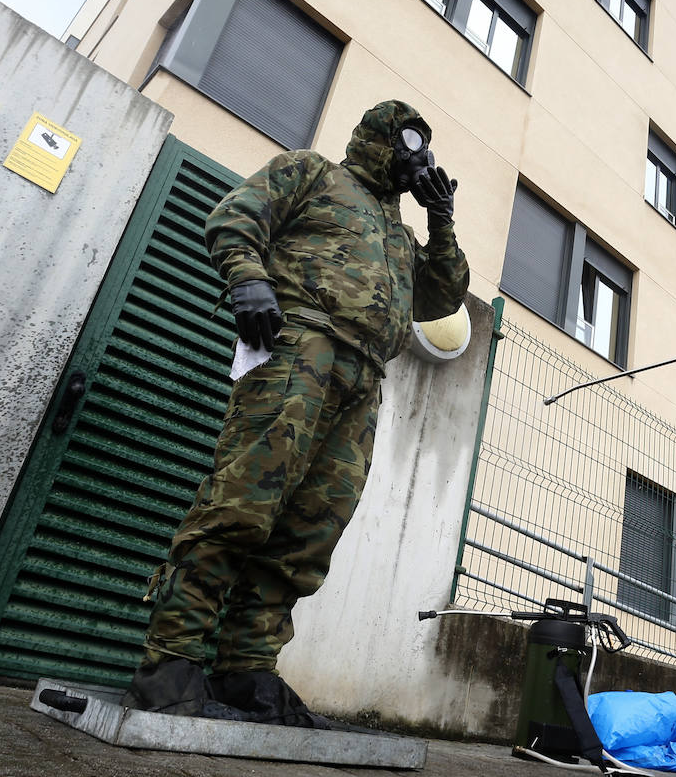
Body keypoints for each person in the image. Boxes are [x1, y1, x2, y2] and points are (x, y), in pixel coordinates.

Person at [122, 100, 469, 724]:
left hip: (364, 379)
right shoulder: (314, 173)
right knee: (242, 503)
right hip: (298, 348)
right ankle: (169, 661)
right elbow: (236, 215)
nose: (415, 156)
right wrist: (247, 278)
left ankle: (247, 667)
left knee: (310, 530)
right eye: (407, 141)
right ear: (379, 140)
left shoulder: (399, 235)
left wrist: (440, 221)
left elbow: (439, 298)